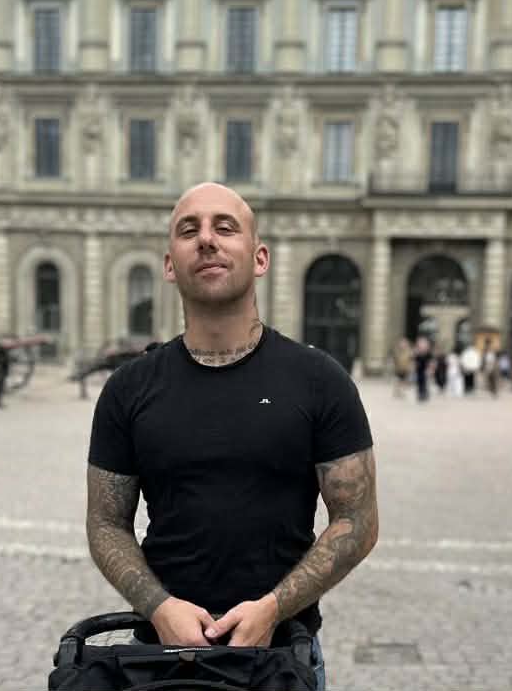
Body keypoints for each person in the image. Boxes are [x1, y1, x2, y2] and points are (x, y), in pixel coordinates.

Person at [85, 183, 378, 691]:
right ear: (170, 265)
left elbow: (358, 519)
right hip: (159, 659)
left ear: (260, 257)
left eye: (225, 227)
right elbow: (106, 523)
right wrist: (160, 607)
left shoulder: (319, 381)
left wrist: (272, 608)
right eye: (189, 230)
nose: (206, 239)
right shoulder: (128, 389)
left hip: (280, 660)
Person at [413, 335, 432, 402]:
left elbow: (430, 362)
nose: (422, 345)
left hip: (425, 370)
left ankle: (424, 394)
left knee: (425, 382)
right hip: (419, 370)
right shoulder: (417, 352)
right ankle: (420, 394)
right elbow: (414, 360)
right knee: (419, 382)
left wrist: (430, 369)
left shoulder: (428, 353)